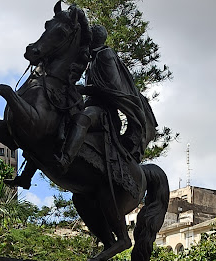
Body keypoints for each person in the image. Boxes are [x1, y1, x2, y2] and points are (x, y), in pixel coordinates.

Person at [54, 24, 157, 173]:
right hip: (90, 106)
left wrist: (84, 89)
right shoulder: (92, 58)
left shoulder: (105, 55)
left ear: (92, 38)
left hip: (105, 113)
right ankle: (27, 173)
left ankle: (65, 160)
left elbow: (112, 88)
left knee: (82, 119)